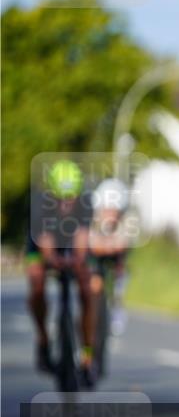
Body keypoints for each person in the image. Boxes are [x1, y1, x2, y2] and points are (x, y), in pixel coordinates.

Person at [25, 159, 95, 381]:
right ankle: (43, 339)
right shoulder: (41, 204)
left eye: (71, 198)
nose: (66, 203)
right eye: (61, 198)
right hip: (42, 244)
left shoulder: (85, 203)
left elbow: (82, 242)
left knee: (87, 286)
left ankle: (87, 352)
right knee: (37, 281)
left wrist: (77, 261)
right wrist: (52, 261)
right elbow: (45, 244)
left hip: (71, 242)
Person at [88, 177, 137, 338]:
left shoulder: (127, 221)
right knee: (92, 282)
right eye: (107, 209)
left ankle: (117, 302)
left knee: (122, 271)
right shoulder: (92, 219)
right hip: (95, 258)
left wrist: (111, 246)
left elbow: (123, 244)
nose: (110, 214)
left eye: (115, 210)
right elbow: (92, 244)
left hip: (115, 259)